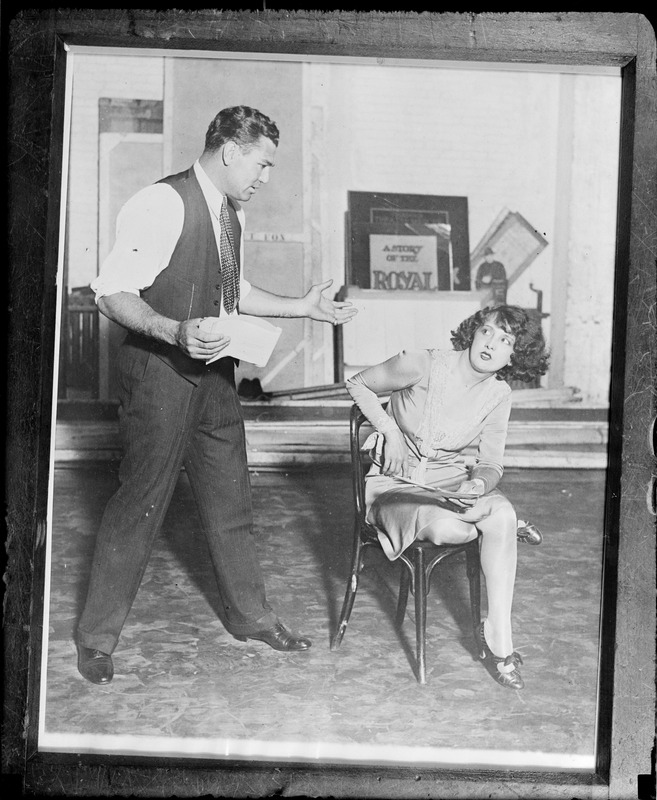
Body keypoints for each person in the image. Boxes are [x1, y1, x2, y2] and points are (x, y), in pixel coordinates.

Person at [76, 105, 357, 685]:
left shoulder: (231, 214)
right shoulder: (162, 204)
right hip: (158, 378)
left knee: (231, 504)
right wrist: (173, 330)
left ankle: (250, 617)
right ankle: (96, 639)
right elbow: (111, 294)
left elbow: (234, 290)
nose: (265, 177)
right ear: (231, 151)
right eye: (262, 163)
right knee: (140, 506)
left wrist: (302, 306)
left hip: (215, 383)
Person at [345, 305, 549, 690]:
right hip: (395, 486)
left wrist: (477, 487)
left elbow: (491, 464)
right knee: (453, 531)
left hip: (450, 488)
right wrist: (387, 431)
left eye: (505, 341)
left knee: (498, 512)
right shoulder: (420, 362)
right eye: (487, 331)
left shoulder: (498, 394)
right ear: (472, 332)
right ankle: (497, 524)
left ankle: (499, 641)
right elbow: (357, 383)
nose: (491, 343)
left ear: (514, 356)